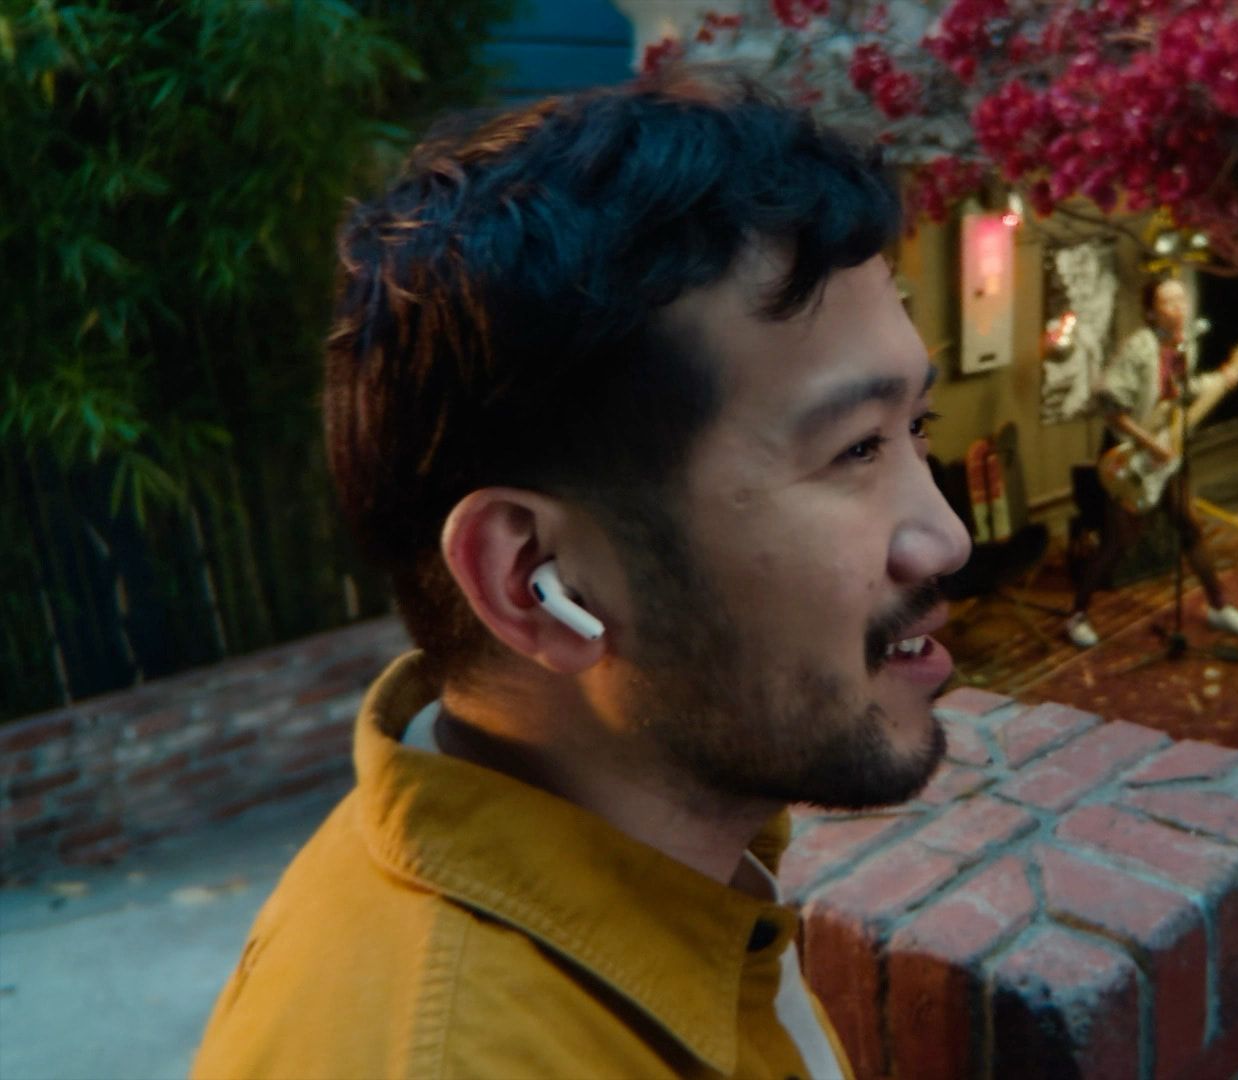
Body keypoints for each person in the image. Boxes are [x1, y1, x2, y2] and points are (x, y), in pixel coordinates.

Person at [192, 69, 970, 1079]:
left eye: (916, 426)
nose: (945, 538)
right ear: (534, 579)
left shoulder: (671, 866)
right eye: (855, 448)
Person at [1063, 276, 1238, 648]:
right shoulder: (1138, 348)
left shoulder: (1185, 348)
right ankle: (1077, 615)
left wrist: (1220, 380)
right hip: (1131, 456)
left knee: (1190, 527)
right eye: (1168, 303)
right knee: (1119, 540)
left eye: (1182, 300)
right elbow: (1112, 410)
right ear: (1152, 312)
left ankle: (1218, 605)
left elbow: (1177, 396)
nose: (1179, 309)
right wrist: (1151, 446)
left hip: (1166, 452)